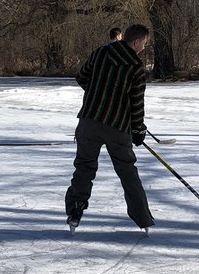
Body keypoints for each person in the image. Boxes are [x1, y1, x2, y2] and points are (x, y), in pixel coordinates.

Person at [65, 23, 154, 233]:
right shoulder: (136, 67)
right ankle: (143, 219)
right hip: (117, 127)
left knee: (84, 168)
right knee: (127, 171)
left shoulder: (101, 52)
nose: (144, 48)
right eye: (144, 44)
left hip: (89, 121)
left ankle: (75, 211)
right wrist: (138, 129)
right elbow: (136, 103)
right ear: (136, 41)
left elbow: (82, 77)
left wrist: (100, 91)